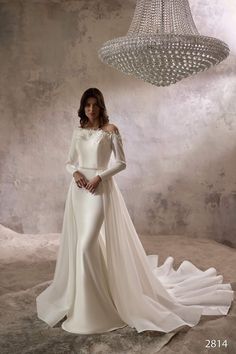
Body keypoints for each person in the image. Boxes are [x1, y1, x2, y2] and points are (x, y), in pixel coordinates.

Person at [36, 88, 234, 335]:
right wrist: (74, 172)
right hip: (78, 191)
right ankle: (86, 301)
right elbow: (69, 161)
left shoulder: (111, 130)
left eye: (95, 105)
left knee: (86, 245)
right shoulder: (78, 131)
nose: (91, 109)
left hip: (99, 190)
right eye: (87, 105)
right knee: (85, 247)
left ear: (101, 106)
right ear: (82, 107)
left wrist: (100, 176)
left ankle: (98, 308)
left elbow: (121, 163)